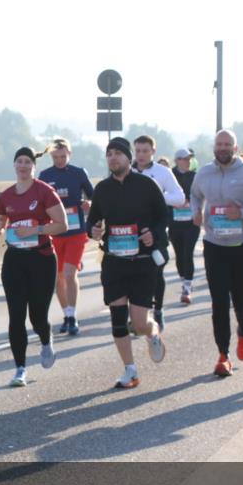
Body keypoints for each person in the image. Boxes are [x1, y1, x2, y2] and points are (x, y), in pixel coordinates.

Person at [86, 137, 169, 389]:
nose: (112, 158)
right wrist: (94, 231)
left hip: (142, 262)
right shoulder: (102, 189)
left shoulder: (146, 185)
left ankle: (153, 334)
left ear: (128, 158)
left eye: (117, 153)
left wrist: (152, 234)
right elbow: (92, 221)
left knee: (140, 322)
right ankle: (130, 370)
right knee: (118, 319)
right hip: (114, 262)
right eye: (109, 154)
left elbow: (163, 217)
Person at [190, 129, 243, 377]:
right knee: (219, 301)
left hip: (242, 245)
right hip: (214, 244)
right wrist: (197, 211)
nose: (223, 148)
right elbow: (195, 195)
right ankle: (223, 355)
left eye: (227, 144)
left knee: (240, 298)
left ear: (235, 148)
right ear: (214, 147)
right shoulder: (204, 172)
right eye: (219, 144)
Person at [0, 147, 67, 386]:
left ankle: (45, 339)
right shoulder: (6, 195)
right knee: (16, 315)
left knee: (37, 316)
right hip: (15, 259)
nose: (22, 166)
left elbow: (62, 224)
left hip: (41, 258)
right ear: (14, 165)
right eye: (19, 162)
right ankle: (20, 369)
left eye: (27, 162)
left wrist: (35, 230)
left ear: (33, 166)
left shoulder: (44, 191)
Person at [39, 138, 94, 335]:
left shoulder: (78, 173)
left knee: (70, 273)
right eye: (56, 157)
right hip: (54, 233)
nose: (60, 160)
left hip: (76, 232)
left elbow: (93, 196)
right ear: (51, 156)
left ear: (69, 154)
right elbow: (39, 203)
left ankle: (72, 316)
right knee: (58, 277)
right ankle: (65, 314)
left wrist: (89, 204)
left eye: (63, 156)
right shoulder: (45, 176)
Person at [132, 135, 185, 331]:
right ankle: (139, 314)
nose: (141, 155)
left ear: (153, 151)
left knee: (156, 271)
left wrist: (155, 196)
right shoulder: (128, 171)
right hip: (133, 233)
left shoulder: (162, 172)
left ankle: (158, 310)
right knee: (136, 275)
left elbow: (179, 198)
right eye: (138, 151)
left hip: (157, 231)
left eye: (145, 151)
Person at [170, 149, 201, 304]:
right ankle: (183, 281)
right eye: (185, 159)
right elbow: (163, 194)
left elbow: (201, 195)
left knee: (188, 252)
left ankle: (187, 287)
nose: (188, 161)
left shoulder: (195, 176)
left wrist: (192, 203)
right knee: (179, 253)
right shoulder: (170, 175)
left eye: (190, 159)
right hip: (174, 222)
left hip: (191, 221)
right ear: (177, 160)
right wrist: (174, 202)